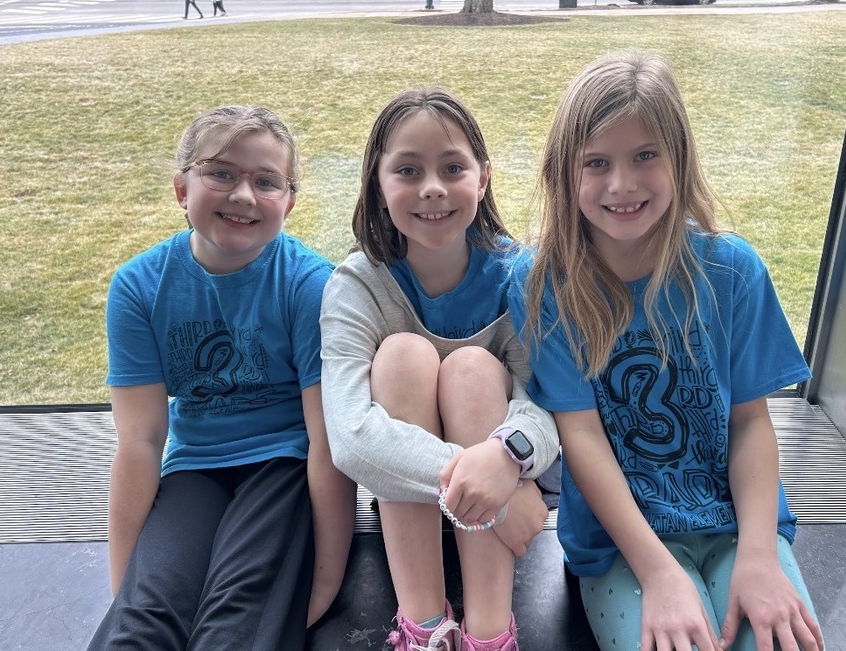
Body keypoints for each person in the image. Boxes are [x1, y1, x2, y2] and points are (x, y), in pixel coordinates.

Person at [510, 50, 825, 651]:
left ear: (679, 159)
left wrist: (760, 558)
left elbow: (751, 424)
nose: (622, 184)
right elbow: (581, 438)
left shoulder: (732, 271)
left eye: (645, 156)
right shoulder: (547, 285)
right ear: (563, 173)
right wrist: (659, 573)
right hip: (623, 545)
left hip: (740, 527)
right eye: (596, 162)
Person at [88, 105, 356, 651]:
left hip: (284, 462)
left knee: (237, 619)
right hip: (195, 467)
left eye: (266, 181)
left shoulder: (310, 285)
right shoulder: (139, 287)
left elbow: (326, 443)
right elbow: (139, 444)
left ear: (290, 202)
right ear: (182, 188)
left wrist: (326, 577)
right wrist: (126, 591)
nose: (243, 195)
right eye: (221, 173)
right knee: (143, 625)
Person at [319, 87, 561, 651]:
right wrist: (489, 486)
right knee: (403, 354)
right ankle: (424, 628)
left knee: (473, 368)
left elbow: (548, 405)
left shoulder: (520, 276)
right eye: (408, 170)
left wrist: (506, 460)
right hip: (431, 493)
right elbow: (351, 439)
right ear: (378, 187)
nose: (432, 187)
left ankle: (489, 633)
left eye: (452, 167)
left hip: (515, 480)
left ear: (483, 178)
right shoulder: (357, 285)